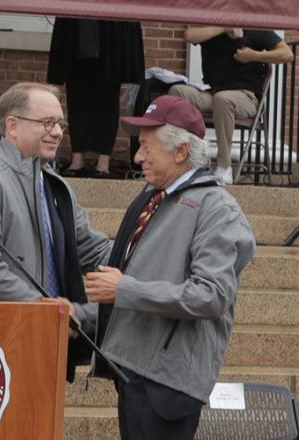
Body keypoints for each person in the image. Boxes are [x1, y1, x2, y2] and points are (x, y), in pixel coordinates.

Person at [85, 95, 256, 439]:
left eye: (148, 147)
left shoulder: (217, 209)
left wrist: (124, 290)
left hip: (166, 382)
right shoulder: (154, 196)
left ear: (180, 152)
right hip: (135, 370)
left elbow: (210, 296)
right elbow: (129, 264)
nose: (137, 157)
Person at [0, 82, 112, 381]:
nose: (57, 132)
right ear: (12, 126)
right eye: (47, 122)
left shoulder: (56, 187)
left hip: (39, 338)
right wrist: (42, 308)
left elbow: (93, 250)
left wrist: (146, 258)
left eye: (60, 123)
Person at [169, 27, 293, 184]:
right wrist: (224, 28)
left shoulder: (254, 28)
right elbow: (188, 35)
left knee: (223, 99)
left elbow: (287, 54)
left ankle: (224, 166)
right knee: (177, 91)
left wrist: (253, 56)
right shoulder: (212, 29)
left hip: (246, 97)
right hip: (212, 93)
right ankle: (180, 159)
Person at [47, 18, 145, 178]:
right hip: (77, 30)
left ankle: (103, 162)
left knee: (108, 102)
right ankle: (77, 158)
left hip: (110, 35)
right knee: (76, 101)